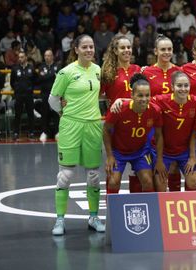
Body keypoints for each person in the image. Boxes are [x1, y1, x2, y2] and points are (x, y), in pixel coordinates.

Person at [49, 34, 104, 236]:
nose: (89, 50)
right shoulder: (66, 72)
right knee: (66, 175)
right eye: (85, 47)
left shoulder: (98, 71)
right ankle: (60, 220)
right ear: (76, 49)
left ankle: (94, 217)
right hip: (71, 126)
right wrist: (64, 114)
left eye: (91, 47)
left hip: (93, 126)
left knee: (93, 174)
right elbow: (53, 99)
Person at [103, 74, 164, 193]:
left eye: (147, 95)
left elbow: (159, 135)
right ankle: (112, 210)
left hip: (140, 151)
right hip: (118, 152)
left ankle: (147, 210)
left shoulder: (155, 110)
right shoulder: (119, 109)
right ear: (132, 96)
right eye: (140, 95)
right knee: (113, 182)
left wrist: (159, 160)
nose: (144, 99)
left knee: (148, 181)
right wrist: (110, 156)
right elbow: (106, 130)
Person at [151, 71, 196, 191]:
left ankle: (188, 208)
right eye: (179, 86)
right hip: (163, 152)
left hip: (185, 151)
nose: (183, 89)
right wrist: (121, 100)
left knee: (194, 182)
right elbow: (141, 100)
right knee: (160, 185)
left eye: (186, 85)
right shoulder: (161, 100)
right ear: (172, 87)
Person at [101, 35, 142, 193]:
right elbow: (98, 95)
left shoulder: (137, 69)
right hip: (116, 126)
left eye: (128, 47)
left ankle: (137, 207)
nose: (126, 50)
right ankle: (111, 212)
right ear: (115, 51)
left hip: (138, 123)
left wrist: (122, 100)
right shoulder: (108, 72)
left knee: (140, 173)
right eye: (122, 48)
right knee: (113, 176)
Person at [141, 35, 181, 191]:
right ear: (155, 51)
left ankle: (175, 206)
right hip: (152, 126)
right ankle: (156, 205)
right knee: (154, 168)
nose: (166, 52)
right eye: (163, 49)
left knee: (174, 166)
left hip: (175, 125)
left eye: (169, 49)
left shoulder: (179, 71)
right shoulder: (147, 72)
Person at [11, 51, 36, 141]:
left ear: (26, 57)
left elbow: (35, 80)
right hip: (19, 95)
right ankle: (16, 132)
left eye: (22, 57)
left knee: (30, 114)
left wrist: (30, 89)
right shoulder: (15, 69)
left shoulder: (31, 68)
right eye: (19, 57)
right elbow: (12, 82)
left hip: (29, 94)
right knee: (17, 115)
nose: (20, 58)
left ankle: (31, 132)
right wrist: (17, 89)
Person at [37, 49, 61, 142]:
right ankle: (44, 132)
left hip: (55, 94)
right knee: (45, 113)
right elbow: (40, 78)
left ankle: (57, 132)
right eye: (45, 55)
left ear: (52, 56)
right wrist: (52, 75)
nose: (47, 57)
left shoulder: (57, 66)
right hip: (44, 93)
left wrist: (46, 76)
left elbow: (59, 79)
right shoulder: (41, 67)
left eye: (49, 55)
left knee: (56, 113)